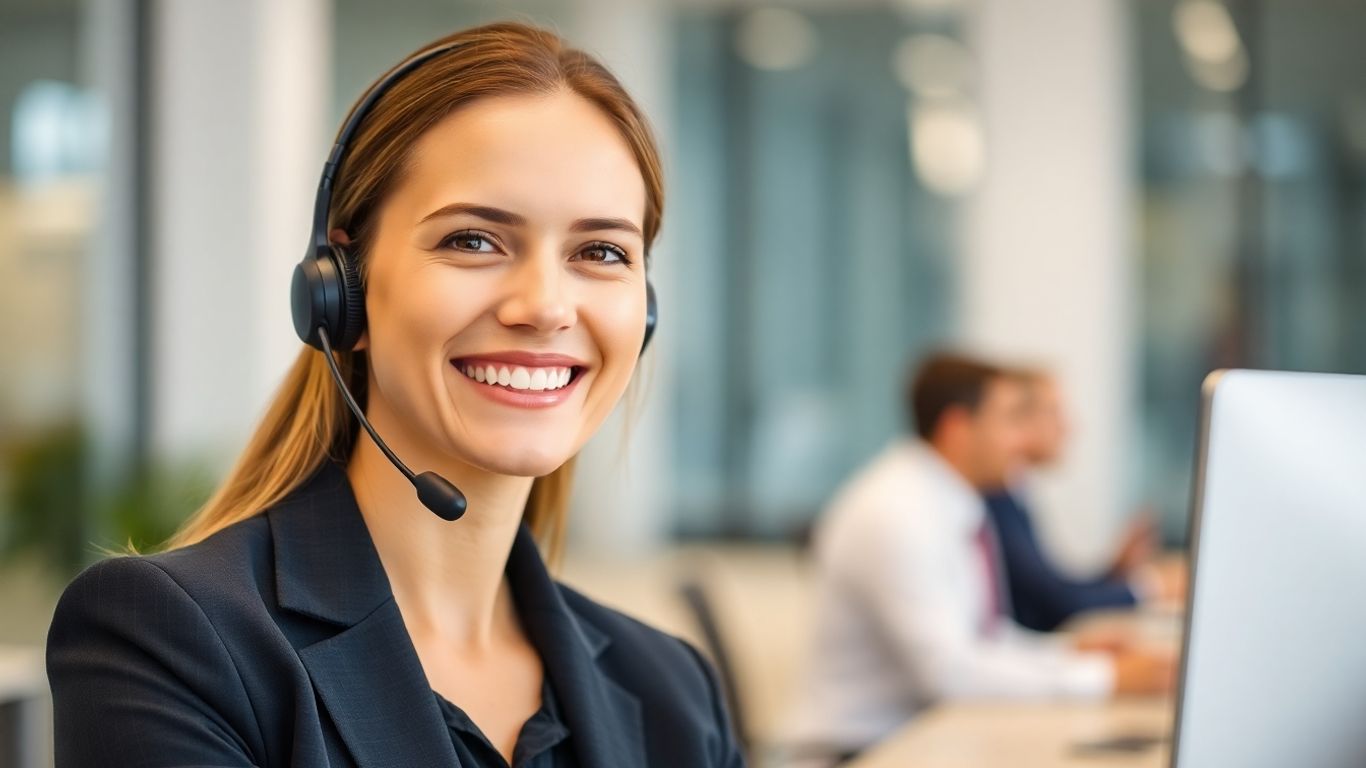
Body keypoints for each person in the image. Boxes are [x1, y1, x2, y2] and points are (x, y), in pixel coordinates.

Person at [47, 23, 743, 768]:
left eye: (600, 252)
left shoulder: (674, 693)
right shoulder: (173, 643)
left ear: (644, 312)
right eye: (473, 240)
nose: (545, 307)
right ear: (342, 293)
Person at [782, 353, 1174, 765]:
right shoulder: (897, 513)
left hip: (918, 736)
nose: (1022, 441)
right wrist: (1104, 679)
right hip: (859, 751)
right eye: (1009, 422)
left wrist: (1067, 653)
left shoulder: (951, 502)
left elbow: (982, 640)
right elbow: (948, 673)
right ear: (957, 429)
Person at [986, 369, 1185, 632]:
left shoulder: (1015, 491)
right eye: (1054, 412)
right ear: (1022, 421)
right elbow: (1056, 602)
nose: (1068, 427)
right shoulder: (995, 495)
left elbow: (1051, 588)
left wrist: (1114, 571)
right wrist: (1152, 586)